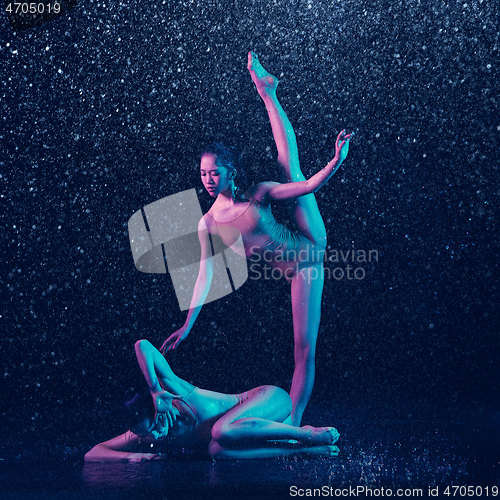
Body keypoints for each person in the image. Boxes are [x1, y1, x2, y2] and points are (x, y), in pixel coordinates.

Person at [161, 52, 353, 426]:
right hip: (294, 273)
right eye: (203, 174)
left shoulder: (258, 193)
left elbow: (309, 185)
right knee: (301, 348)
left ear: (230, 172)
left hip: (310, 249)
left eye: (214, 172)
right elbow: (204, 277)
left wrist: (335, 161)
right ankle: (293, 423)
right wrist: (188, 323)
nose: (208, 180)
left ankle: (267, 92)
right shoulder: (208, 222)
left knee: (289, 168)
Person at [84, 339, 340, 462]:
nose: (156, 435)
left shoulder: (176, 392)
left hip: (270, 400)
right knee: (216, 449)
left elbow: (142, 346)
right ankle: (304, 449)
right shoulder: (145, 433)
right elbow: (93, 453)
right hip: (258, 429)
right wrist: (132, 458)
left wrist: (154, 389)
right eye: (147, 433)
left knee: (221, 430)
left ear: (158, 408)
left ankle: (304, 433)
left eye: (154, 426)